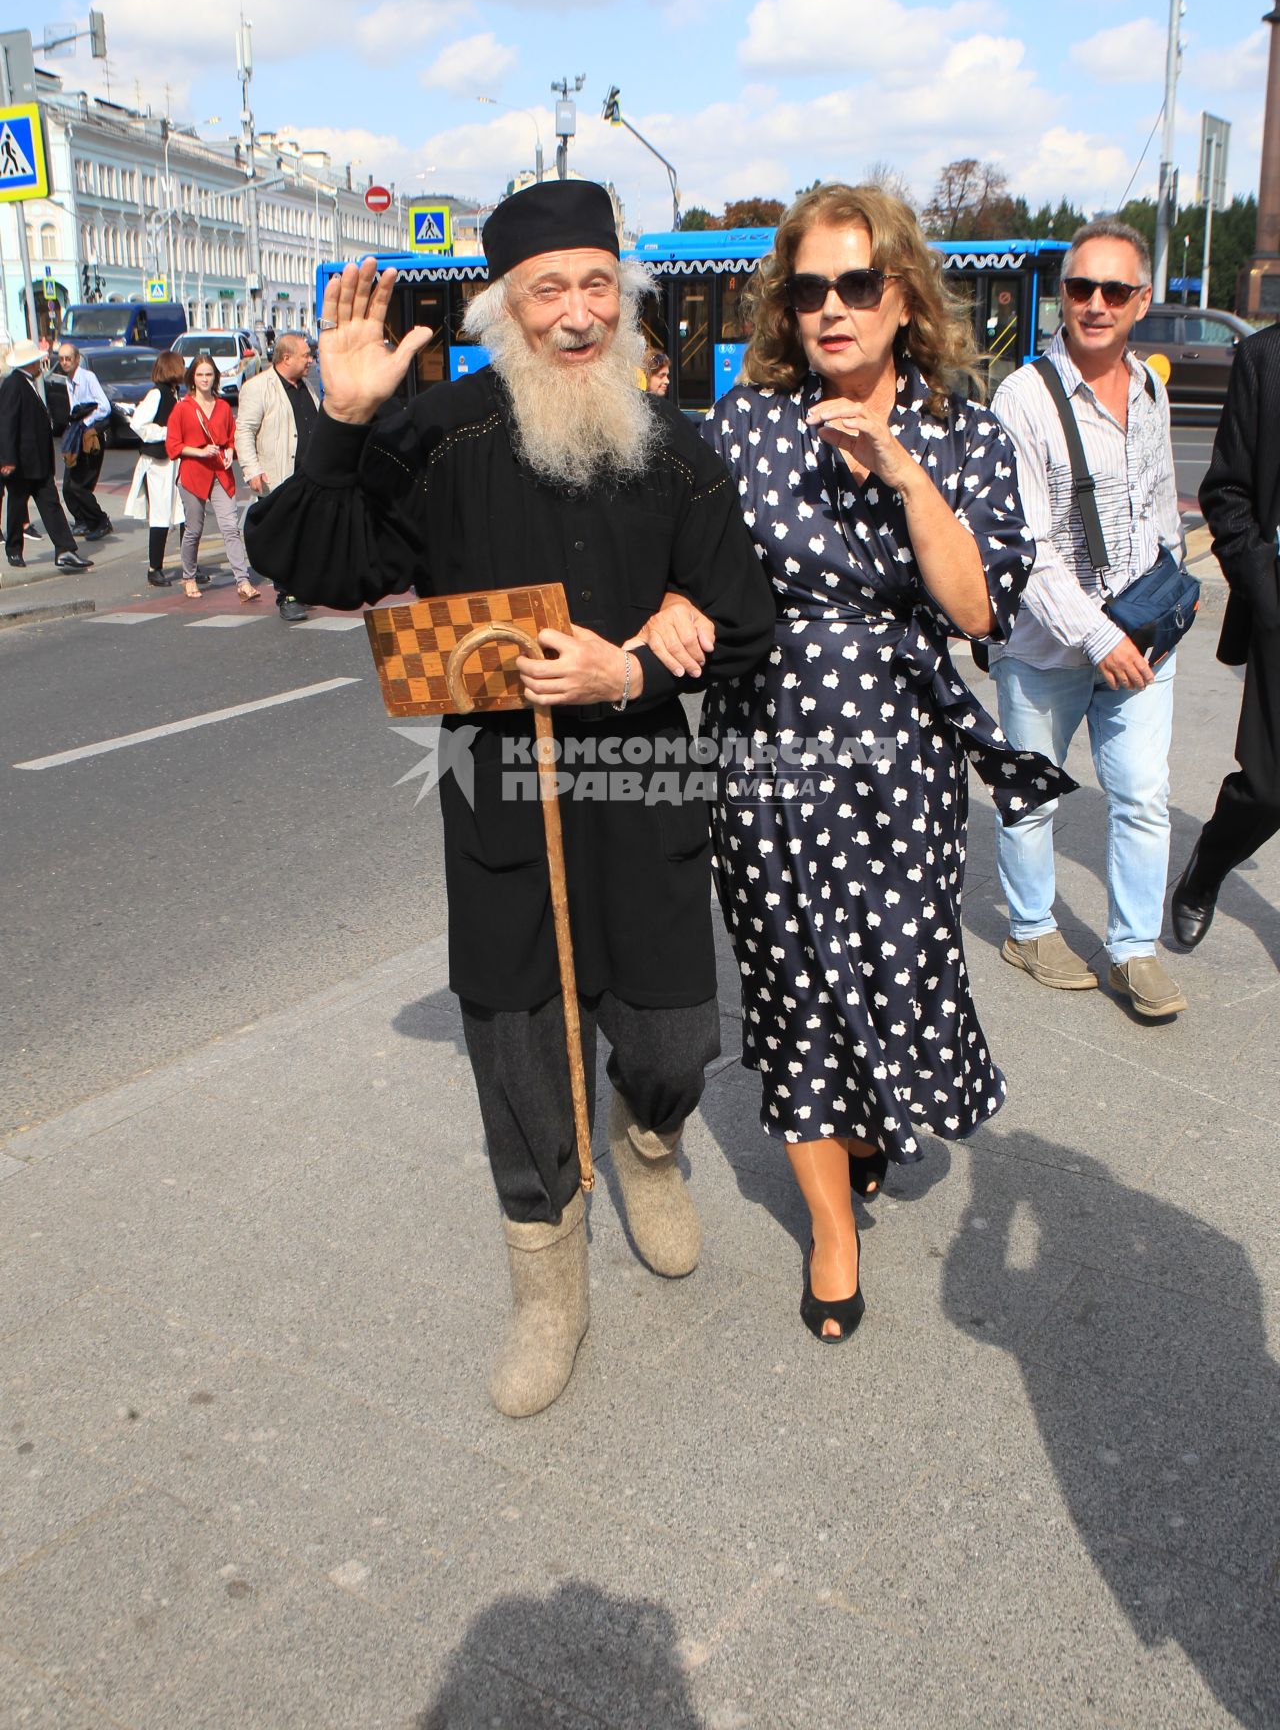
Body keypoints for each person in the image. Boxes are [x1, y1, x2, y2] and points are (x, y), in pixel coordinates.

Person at [245, 180, 775, 1418]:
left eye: (599, 285)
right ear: (505, 308)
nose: (579, 313)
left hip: (642, 784)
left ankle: (649, 1142)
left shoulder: (677, 448)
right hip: (499, 794)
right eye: (550, 290)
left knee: (669, 1041)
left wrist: (633, 663)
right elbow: (309, 563)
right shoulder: (438, 439)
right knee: (519, 1047)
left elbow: (746, 623)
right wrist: (339, 420)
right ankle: (545, 1285)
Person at [640, 183, 1070, 1344]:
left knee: (894, 957)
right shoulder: (742, 429)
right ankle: (827, 1224)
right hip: (766, 742)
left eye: (856, 284)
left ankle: (870, 1112)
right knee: (788, 978)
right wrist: (671, 605)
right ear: (786, 307)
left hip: (900, 755)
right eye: (808, 289)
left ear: (901, 297)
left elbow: (977, 607)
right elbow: (675, 557)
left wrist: (900, 471)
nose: (832, 309)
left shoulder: (960, 435)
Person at [988, 218, 1186, 1019]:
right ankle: (1031, 928)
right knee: (1032, 796)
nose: (1094, 304)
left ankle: (1135, 949)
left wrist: (1178, 587)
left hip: (1143, 634)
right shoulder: (1022, 397)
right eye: (1080, 288)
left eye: (1113, 290)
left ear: (1141, 300)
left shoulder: (1150, 387)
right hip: (1047, 646)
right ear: (1061, 295)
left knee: (1141, 793)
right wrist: (1098, 635)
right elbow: (1024, 547)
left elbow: (1160, 497)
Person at [1171, 322, 1280, 945]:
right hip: (1278, 603)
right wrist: (1265, 595)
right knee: (1267, 789)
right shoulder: (1264, 357)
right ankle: (1208, 866)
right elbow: (1228, 492)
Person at [235, 332, 318, 621]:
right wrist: (251, 469)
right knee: (284, 537)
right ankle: (287, 595)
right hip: (278, 475)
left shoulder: (306, 386)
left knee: (305, 536)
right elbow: (244, 431)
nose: (311, 359)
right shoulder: (258, 387)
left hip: (308, 477)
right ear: (286, 358)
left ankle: (300, 588)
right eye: (305, 355)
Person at [166, 353, 260, 603]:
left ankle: (243, 581)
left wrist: (229, 451)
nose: (205, 379)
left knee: (230, 528)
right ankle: (189, 577)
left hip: (220, 472)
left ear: (215, 377)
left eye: (209, 374)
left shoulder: (222, 407)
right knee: (193, 529)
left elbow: (232, 437)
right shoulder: (182, 408)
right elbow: (173, 446)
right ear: (192, 379)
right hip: (194, 474)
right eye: (200, 375)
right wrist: (199, 451)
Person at [1, 339, 92, 573]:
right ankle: (13, 549)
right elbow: (7, 424)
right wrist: (8, 459)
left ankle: (65, 550)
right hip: (22, 462)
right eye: (37, 359)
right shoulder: (14, 384)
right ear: (29, 362)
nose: (41, 363)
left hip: (38, 462)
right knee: (17, 505)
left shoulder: (29, 383)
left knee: (50, 504)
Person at [123, 350, 187, 586]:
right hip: (159, 461)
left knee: (183, 512)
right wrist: (167, 433)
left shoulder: (174, 392)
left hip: (175, 460)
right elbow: (137, 423)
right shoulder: (156, 394)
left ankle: (188, 564)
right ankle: (154, 567)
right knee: (161, 513)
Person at [55, 342, 113, 541]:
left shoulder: (88, 378)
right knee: (68, 486)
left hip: (90, 438)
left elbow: (105, 407)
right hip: (77, 436)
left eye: (68, 358)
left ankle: (101, 521)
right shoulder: (68, 381)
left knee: (80, 485)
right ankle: (82, 520)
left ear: (77, 359)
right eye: (61, 358)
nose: (64, 362)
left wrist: (85, 423)